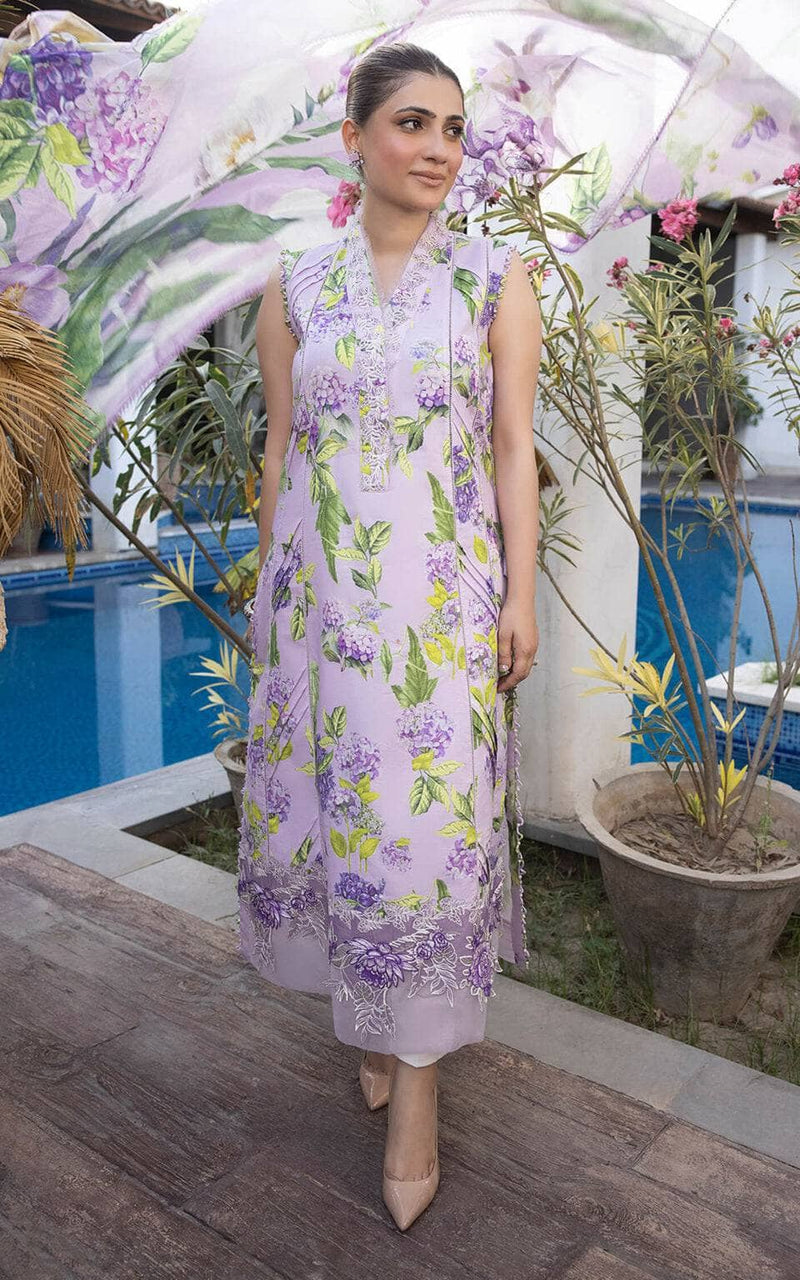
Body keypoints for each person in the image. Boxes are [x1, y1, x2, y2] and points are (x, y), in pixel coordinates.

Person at [238, 40, 542, 1230]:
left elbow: (510, 448)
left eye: (453, 128)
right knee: (341, 821)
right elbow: (282, 447)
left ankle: (415, 1084)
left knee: (423, 833)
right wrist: (270, 589)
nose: (438, 148)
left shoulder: (492, 279)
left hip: (438, 618)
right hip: (319, 614)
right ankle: (371, 1017)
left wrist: (517, 595)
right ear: (354, 136)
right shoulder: (295, 287)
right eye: (412, 122)